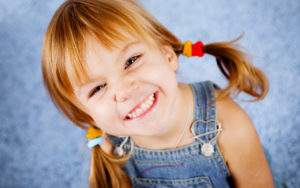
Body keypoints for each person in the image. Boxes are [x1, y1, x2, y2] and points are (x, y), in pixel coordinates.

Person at [41, 0, 275, 187]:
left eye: (131, 61)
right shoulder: (114, 151)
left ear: (168, 55)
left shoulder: (227, 124)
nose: (123, 90)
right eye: (98, 88)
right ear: (88, 116)